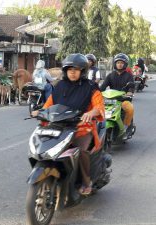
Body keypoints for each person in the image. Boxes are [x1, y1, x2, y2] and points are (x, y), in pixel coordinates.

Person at [32, 53, 105, 195]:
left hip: (82, 128)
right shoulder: (60, 86)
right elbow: (49, 104)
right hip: (59, 126)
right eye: (69, 69)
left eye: (76, 69)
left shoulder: (91, 87)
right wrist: (40, 112)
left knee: (82, 149)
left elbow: (99, 107)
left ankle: (86, 181)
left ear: (82, 71)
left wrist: (91, 113)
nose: (72, 72)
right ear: (65, 71)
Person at [100, 53, 135, 137]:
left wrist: (129, 93)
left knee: (130, 108)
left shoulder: (129, 75)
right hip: (110, 100)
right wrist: (96, 93)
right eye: (118, 62)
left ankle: (127, 126)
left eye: (122, 63)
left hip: (123, 99)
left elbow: (131, 87)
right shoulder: (110, 75)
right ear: (115, 63)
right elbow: (103, 87)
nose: (120, 64)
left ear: (125, 64)